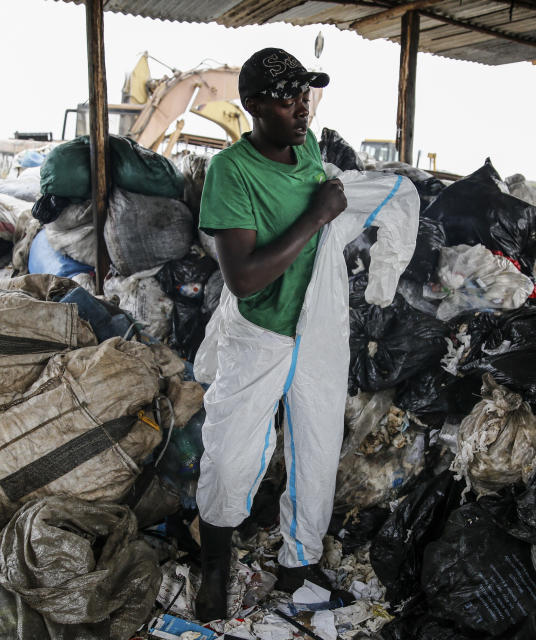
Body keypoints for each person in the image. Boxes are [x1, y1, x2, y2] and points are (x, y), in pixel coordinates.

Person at [193, 47, 348, 622]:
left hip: (317, 329)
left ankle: (299, 564)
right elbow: (244, 276)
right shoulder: (230, 172)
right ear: (253, 105)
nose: (300, 106)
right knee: (230, 455)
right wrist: (317, 216)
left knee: (316, 451)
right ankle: (214, 569)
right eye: (286, 97)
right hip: (259, 331)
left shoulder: (305, 146)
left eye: (304, 93)